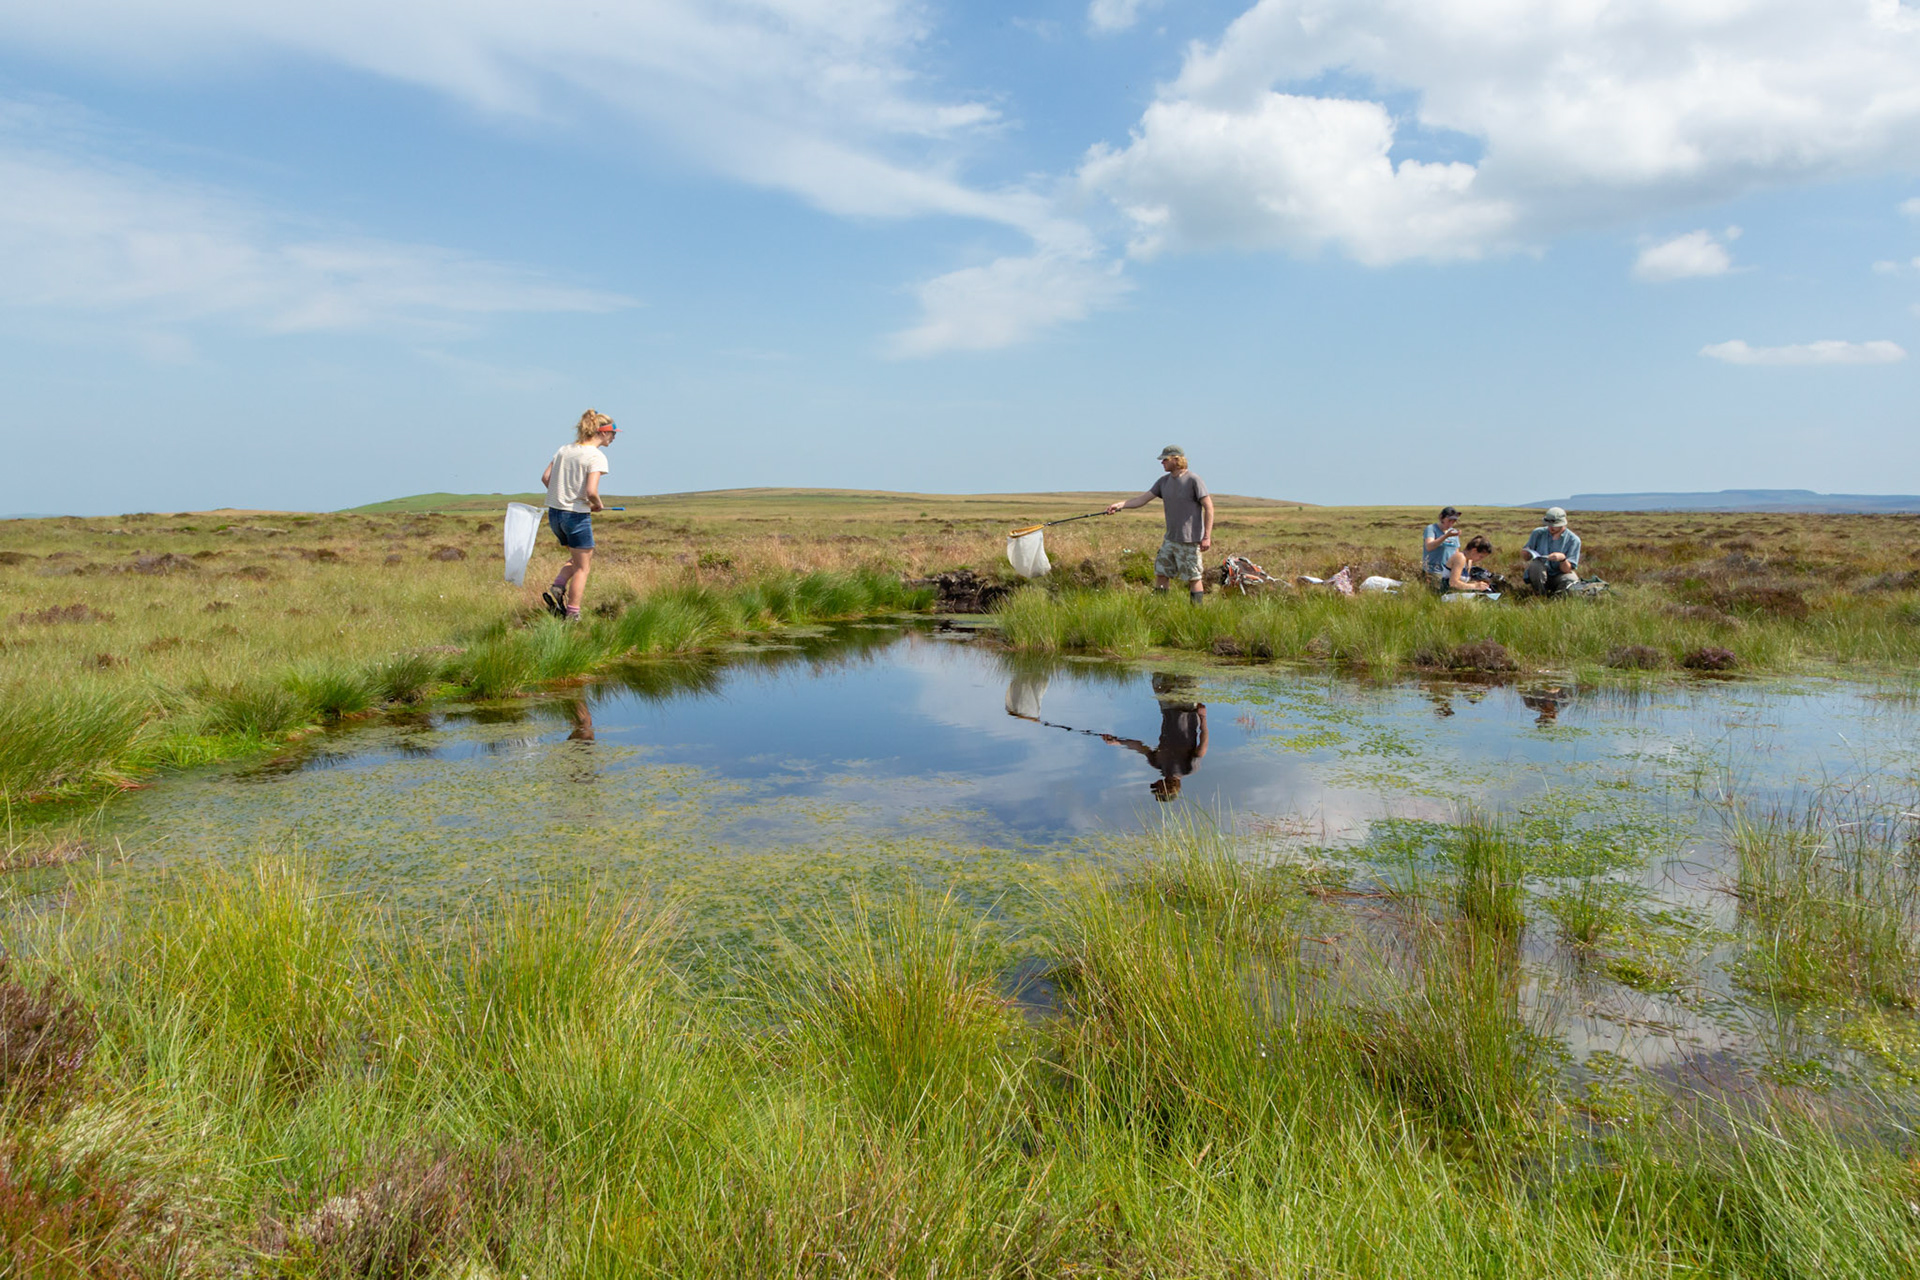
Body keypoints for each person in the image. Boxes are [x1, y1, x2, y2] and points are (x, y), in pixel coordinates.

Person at [1105, 446, 1214, 603]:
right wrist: (1120, 505)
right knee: (1161, 573)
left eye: (1165, 459)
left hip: (1190, 541)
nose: (1162, 462)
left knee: (1193, 577)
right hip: (1170, 540)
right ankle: (1159, 608)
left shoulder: (1193, 480)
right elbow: (1141, 500)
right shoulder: (1163, 482)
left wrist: (1206, 537)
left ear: (1176, 460)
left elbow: (1209, 507)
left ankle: (1196, 613)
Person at [539, 409, 619, 620]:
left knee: (576, 559)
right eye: (613, 434)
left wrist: (564, 495)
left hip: (555, 515)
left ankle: (558, 587)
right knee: (583, 567)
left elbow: (546, 478)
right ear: (602, 433)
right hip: (576, 517)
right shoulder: (596, 456)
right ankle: (573, 614)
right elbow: (592, 491)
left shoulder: (564, 450)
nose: (613, 438)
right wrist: (597, 505)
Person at [1101, 674, 1209, 801]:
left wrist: (1118, 741)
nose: (1155, 784)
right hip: (1187, 709)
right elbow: (1203, 747)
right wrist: (1203, 718)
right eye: (1157, 788)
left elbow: (1139, 746)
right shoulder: (1188, 768)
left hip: (1167, 708)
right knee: (1189, 673)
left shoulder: (1157, 763)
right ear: (1167, 789)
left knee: (1160, 674)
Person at [1523, 507, 1581, 595]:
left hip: (1559, 575)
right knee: (1535, 565)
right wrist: (1526, 553)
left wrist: (1562, 559)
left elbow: (1567, 570)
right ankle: (1540, 594)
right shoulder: (1537, 533)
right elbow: (1526, 557)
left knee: (1571, 579)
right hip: (1539, 574)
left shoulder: (1573, 540)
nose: (1551, 528)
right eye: (1548, 524)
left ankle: (1558, 596)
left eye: (1554, 525)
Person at [1422, 507, 1462, 588]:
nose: (1450, 524)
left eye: (1453, 521)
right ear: (1441, 518)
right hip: (1434, 570)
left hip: (1448, 571)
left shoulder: (1453, 532)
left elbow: (1456, 552)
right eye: (1449, 521)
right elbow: (1429, 547)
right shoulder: (1431, 529)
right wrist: (1446, 536)